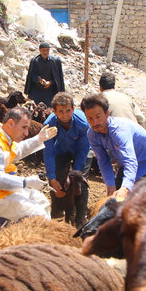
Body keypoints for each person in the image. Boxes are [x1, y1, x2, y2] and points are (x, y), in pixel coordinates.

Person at [0, 107, 57, 221]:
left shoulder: (4, 139)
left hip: (3, 191)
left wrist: (39, 139)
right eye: (24, 127)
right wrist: (26, 182)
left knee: (42, 201)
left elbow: (18, 151)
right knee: (39, 215)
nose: (26, 133)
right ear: (11, 123)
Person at [81, 93, 146, 201]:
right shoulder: (92, 134)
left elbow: (130, 160)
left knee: (142, 205)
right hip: (126, 165)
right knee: (115, 200)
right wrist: (110, 185)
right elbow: (103, 161)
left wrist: (126, 187)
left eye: (98, 116)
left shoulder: (119, 131)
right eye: (90, 118)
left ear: (107, 114)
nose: (94, 122)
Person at [42, 92, 92, 227]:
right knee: (58, 178)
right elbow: (48, 152)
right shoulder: (48, 125)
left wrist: (76, 172)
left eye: (68, 111)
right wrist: (52, 178)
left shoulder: (83, 124)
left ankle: (80, 218)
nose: (65, 115)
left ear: (73, 109)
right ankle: (57, 210)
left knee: (80, 180)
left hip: (82, 151)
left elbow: (83, 150)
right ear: (54, 111)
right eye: (61, 111)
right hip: (61, 149)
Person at [24, 42, 65, 107]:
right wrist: (39, 80)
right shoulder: (35, 61)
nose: (45, 52)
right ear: (40, 50)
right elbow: (32, 76)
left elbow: (58, 78)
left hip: (50, 93)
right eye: (43, 50)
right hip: (36, 92)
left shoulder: (55, 61)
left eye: (47, 50)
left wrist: (50, 82)